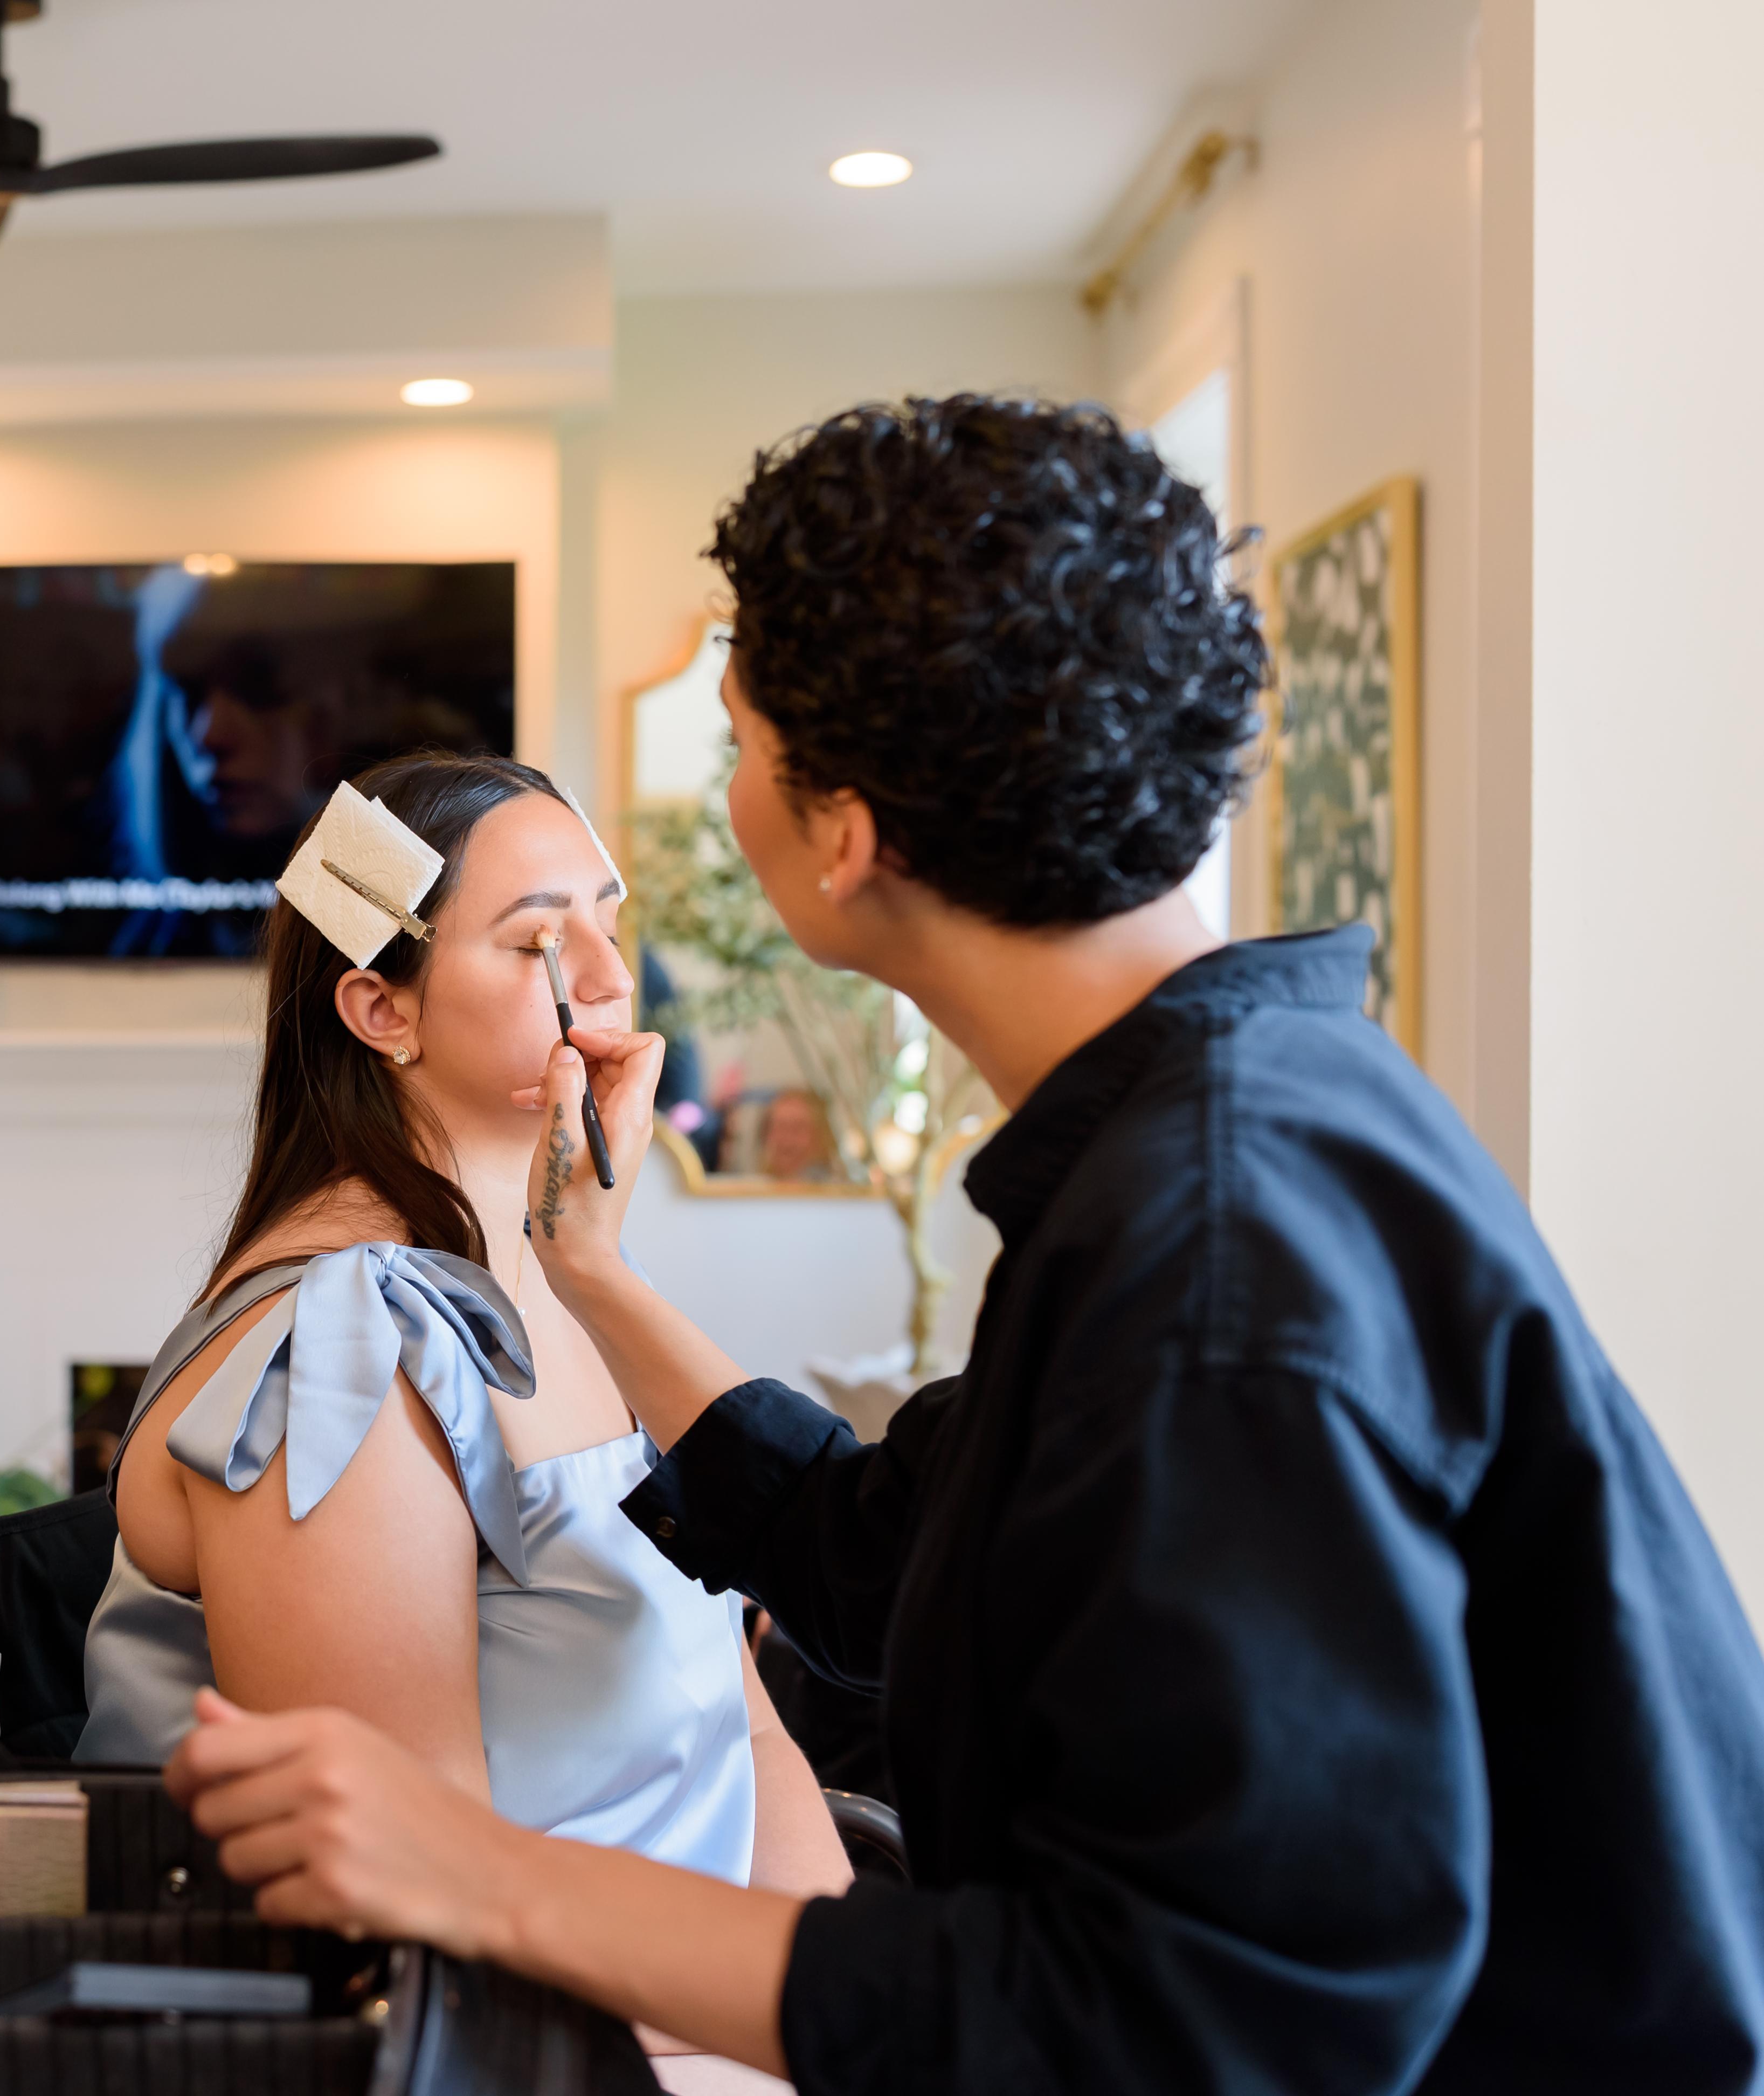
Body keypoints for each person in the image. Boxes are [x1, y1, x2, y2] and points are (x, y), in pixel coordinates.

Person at [164, 397, 1764, 2091]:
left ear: (842, 834)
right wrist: (600, 1282)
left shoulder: (1217, 1262)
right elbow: (883, 1551)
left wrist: (483, 1876)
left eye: (736, 745)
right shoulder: (1246, 1120)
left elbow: (1178, 2031)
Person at [79, 751, 850, 1929]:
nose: (610, 977)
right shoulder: (338, 1354)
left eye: (608, 921)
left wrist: (829, 1992)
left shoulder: (580, 1272)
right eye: (540, 941)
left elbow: (740, 1725)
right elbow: (412, 1897)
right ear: (381, 1010)